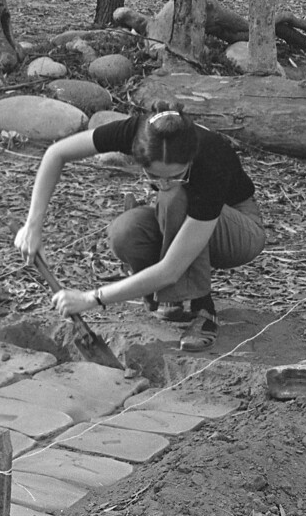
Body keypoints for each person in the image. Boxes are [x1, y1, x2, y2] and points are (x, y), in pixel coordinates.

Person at [14, 101, 266, 352]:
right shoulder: (137, 132)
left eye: (176, 175)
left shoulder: (210, 159)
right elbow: (56, 153)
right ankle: (171, 301)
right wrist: (32, 227)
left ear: (190, 159)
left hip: (240, 231)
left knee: (173, 197)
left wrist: (91, 298)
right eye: (155, 176)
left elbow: (171, 270)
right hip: (184, 215)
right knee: (125, 232)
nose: (164, 183)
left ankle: (202, 309)